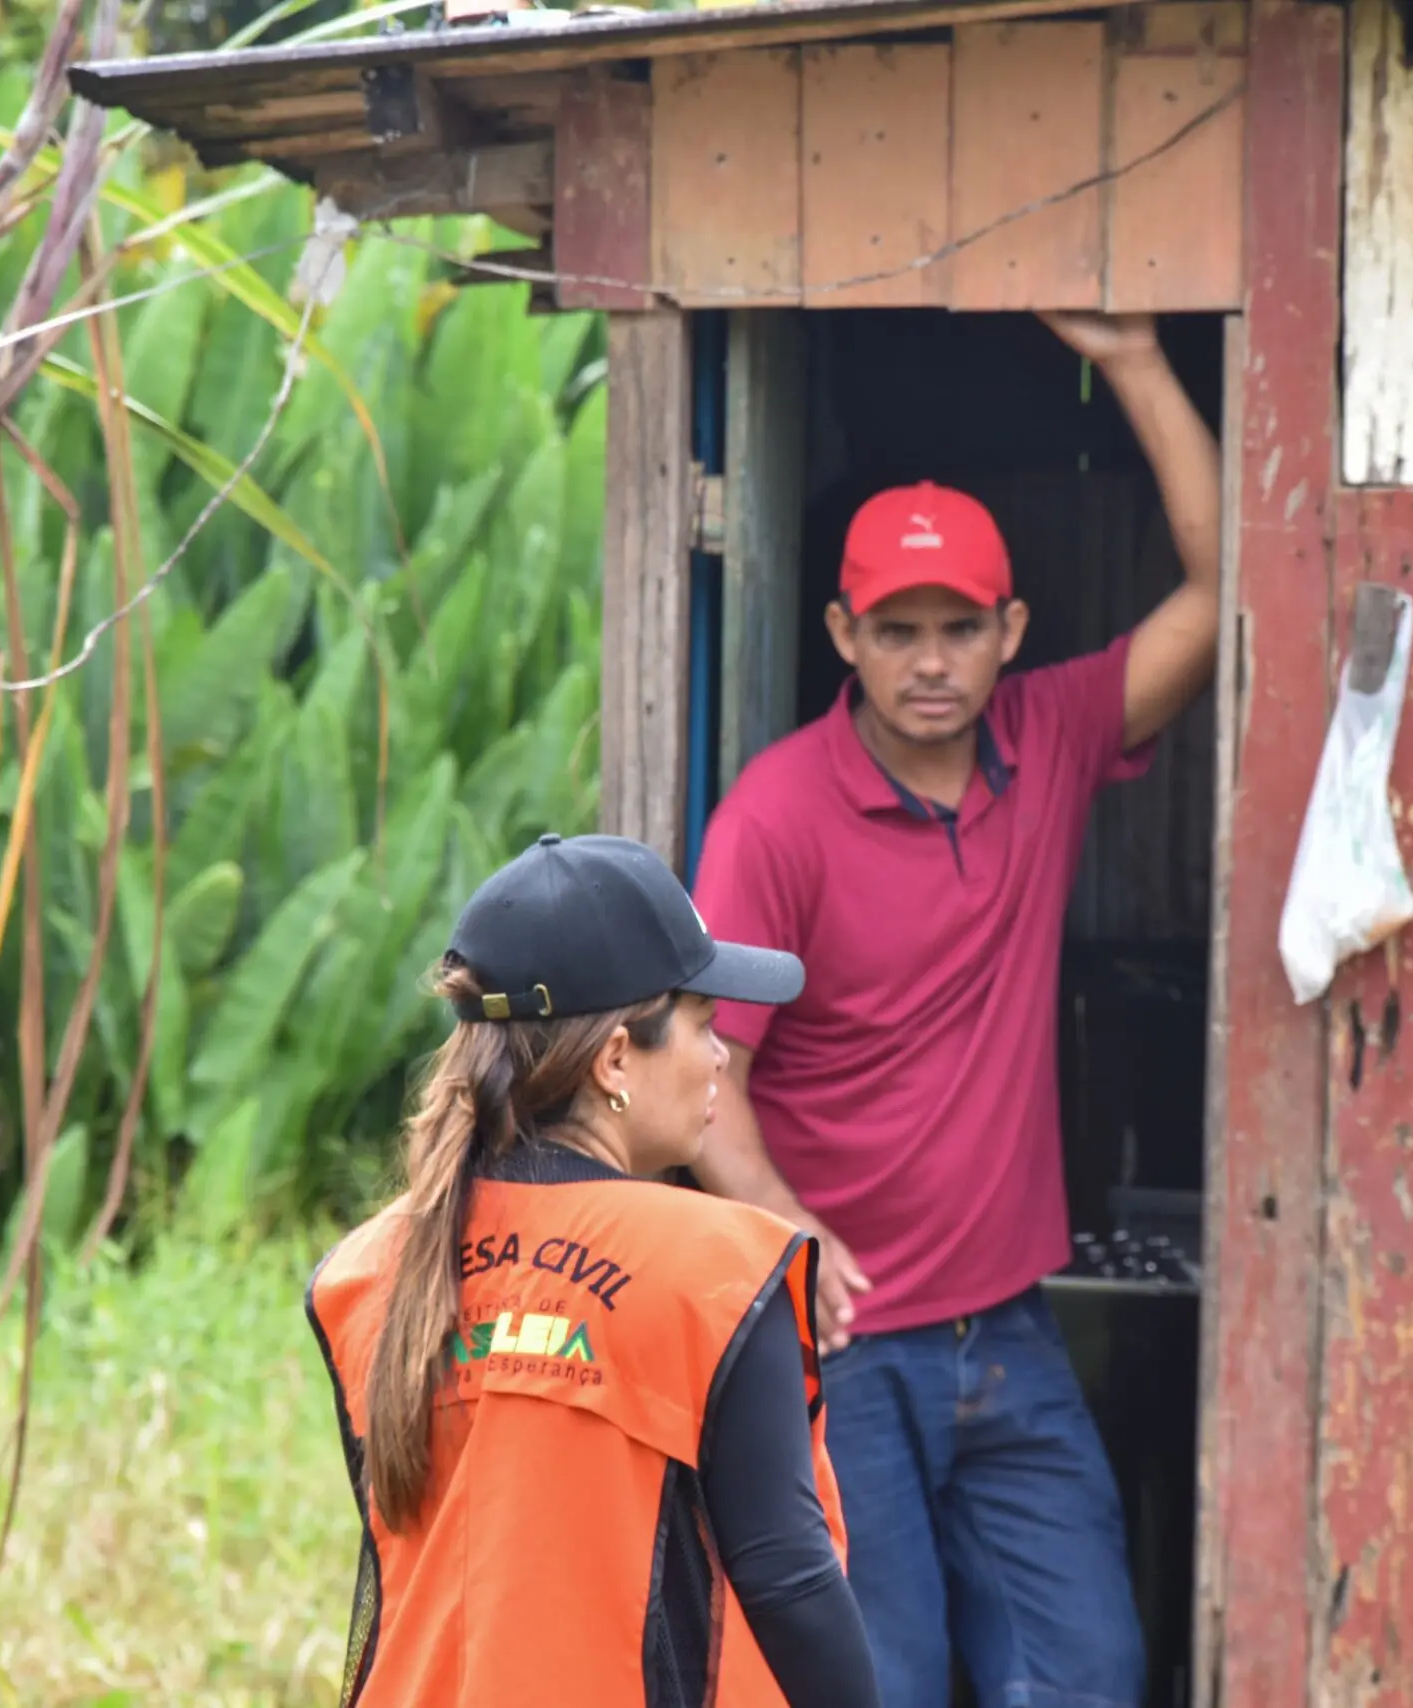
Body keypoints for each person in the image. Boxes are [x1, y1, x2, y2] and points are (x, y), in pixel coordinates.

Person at [689, 311, 1222, 1708]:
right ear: (843, 635)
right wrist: (788, 1223)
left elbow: (1228, 588)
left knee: (1088, 1671)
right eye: (898, 631)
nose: (930, 662)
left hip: (1010, 1332)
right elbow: (699, 1070)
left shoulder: (1049, 740)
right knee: (883, 1685)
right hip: (847, 1348)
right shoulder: (774, 820)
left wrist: (1135, 360)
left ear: (1010, 633)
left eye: (960, 630)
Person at [304, 832, 881, 1708]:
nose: (719, 1058)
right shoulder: (718, 1275)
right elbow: (790, 1585)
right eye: (703, 1025)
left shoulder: (368, 1271)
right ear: (615, 1059)